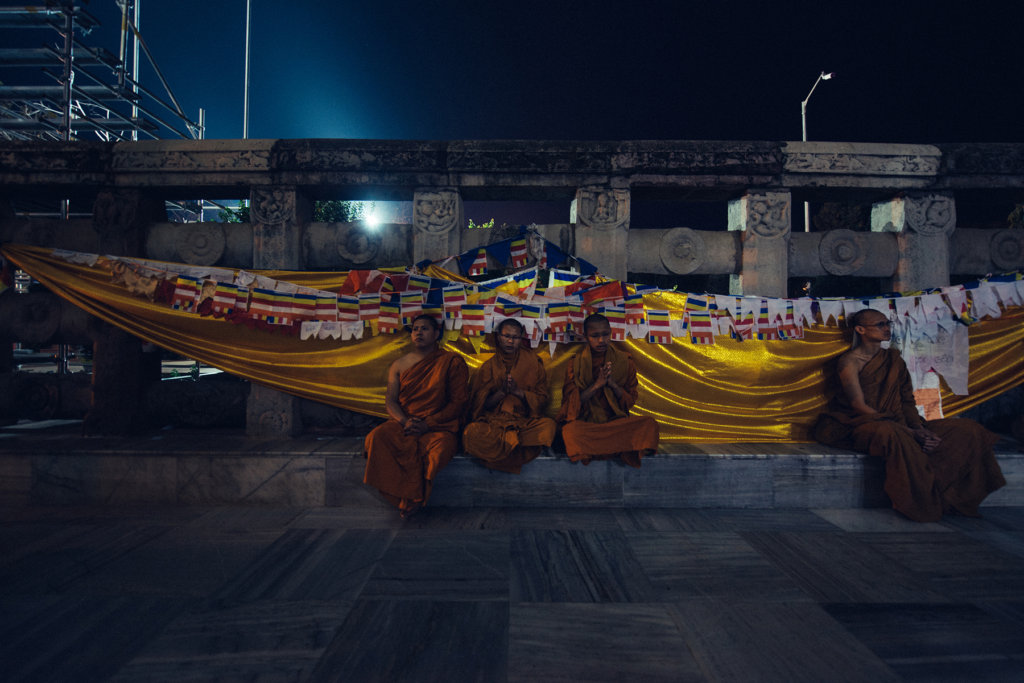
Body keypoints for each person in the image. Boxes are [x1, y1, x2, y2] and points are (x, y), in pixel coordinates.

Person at [814, 308, 1005, 522]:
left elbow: (907, 402)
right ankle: (921, 503)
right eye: (880, 325)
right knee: (892, 433)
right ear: (860, 330)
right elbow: (858, 405)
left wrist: (919, 429)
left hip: (902, 423)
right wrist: (911, 434)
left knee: (967, 430)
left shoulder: (894, 359)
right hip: (862, 423)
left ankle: (952, 498)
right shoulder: (849, 362)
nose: (886, 329)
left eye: (887, 324)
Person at [363, 314, 469, 517]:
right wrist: (405, 421)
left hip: (438, 425)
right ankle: (403, 497)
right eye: (415, 329)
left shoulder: (451, 361)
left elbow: (459, 402)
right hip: (404, 422)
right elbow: (390, 401)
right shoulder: (399, 365)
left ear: (437, 334)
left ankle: (413, 498)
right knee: (376, 437)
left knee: (439, 450)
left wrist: (428, 424)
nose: (418, 332)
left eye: (425, 329)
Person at [558, 313, 659, 467]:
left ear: (611, 333)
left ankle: (599, 448)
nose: (601, 340)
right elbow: (570, 406)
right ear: (586, 337)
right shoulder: (575, 364)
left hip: (615, 423)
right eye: (595, 336)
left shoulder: (625, 361)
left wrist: (613, 384)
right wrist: (597, 385)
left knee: (649, 424)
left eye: (605, 334)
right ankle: (616, 447)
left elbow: (629, 402)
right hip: (588, 424)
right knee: (570, 431)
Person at [462, 319, 556, 473]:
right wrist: (502, 392)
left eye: (515, 337)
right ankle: (515, 446)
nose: (510, 341)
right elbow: (480, 406)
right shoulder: (488, 367)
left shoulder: (533, 363)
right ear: (498, 337)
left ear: (521, 339)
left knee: (548, 427)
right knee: (471, 432)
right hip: (494, 423)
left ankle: (505, 447)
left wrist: (517, 392)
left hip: (523, 422)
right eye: (506, 336)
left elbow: (542, 400)